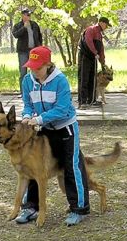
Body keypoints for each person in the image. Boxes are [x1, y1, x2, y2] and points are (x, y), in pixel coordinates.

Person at [15, 46, 90, 226]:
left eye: (38, 68)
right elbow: (27, 104)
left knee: (72, 166)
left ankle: (79, 208)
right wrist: (26, 115)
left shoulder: (61, 81)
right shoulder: (27, 80)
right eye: (31, 67)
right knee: (35, 165)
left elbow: (62, 109)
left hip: (65, 128)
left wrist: (39, 119)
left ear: (48, 65)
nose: (34, 71)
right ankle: (30, 206)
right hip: (43, 128)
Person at [77, 16, 111, 109]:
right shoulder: (91, 29)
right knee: (84, 78)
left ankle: (91, 100)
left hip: (93, 58)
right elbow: (88, 42)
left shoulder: (100, 34)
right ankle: (82, 101)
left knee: (92, 78)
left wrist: (102, 61)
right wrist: (95, 52)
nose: (106, 27)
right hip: (85, 57)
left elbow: (101, 48)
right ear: (101, 23)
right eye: (106, 25)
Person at [12, 8, 43, 96]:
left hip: (34, 51)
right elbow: (15, 35)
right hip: (23, 51)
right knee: (23, 72)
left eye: (30, 15)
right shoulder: (18, 25)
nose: (29, 17)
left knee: (35, 71)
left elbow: (39, 36)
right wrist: (24, 28)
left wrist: (40, 46)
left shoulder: (34, 25)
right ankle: (23, 92)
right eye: (27, 15)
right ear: (23, 15)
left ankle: (35, 91)